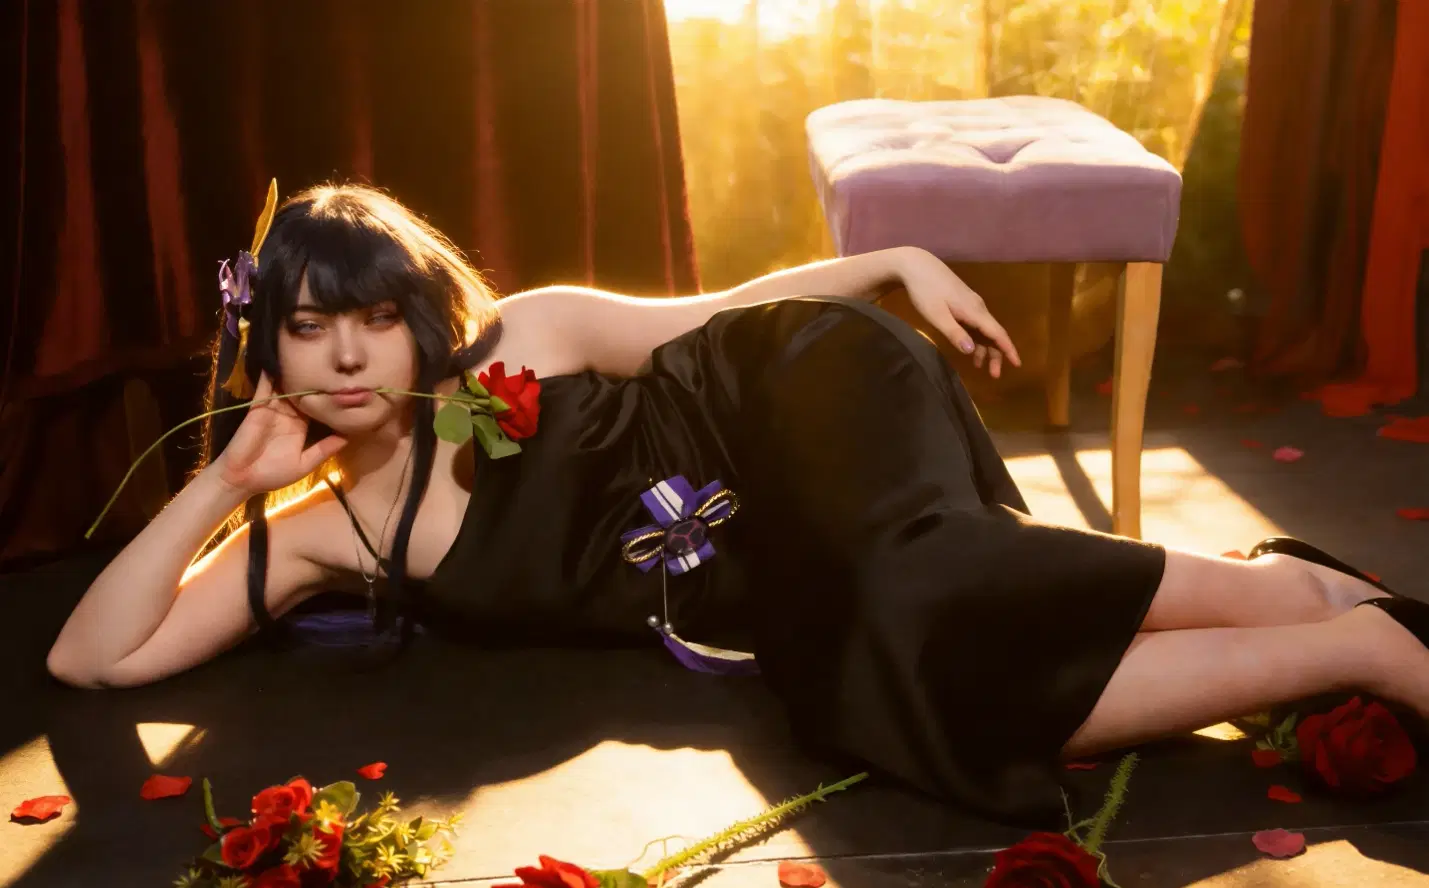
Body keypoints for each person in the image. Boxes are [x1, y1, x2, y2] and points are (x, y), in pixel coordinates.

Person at [45, 183, 1429, 825]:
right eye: (306, 329)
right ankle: (1332, 616)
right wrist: (222, 481)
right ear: (267, 350)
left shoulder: (529, 335)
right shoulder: (321, 534)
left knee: (909, 607)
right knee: (903, 666)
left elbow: (720, 316)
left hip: (800, 395)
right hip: (790, 574)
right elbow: (95, 658)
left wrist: (888, 263)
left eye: (371, 320)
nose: (347, 359)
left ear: (417, 317)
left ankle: (1335, 627)